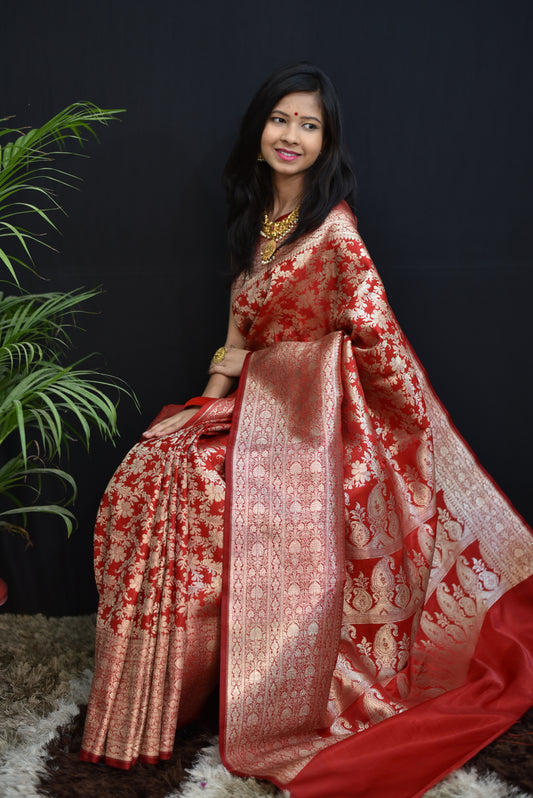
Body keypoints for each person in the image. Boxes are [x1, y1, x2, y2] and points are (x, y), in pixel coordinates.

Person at [80, 63, 533, 798]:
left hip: (319, 429)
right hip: (257, 409)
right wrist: (206, 401)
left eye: (308, 125)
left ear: (326, 143)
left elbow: (380, 342)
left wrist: (403, 441)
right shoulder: (260, 219)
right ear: (258, 130)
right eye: (279, 119)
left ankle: (229, 692)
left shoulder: (336, 236)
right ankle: (158, 694)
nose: (290, 135)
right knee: (154, 464)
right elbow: (237, 330)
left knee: (194, 484)